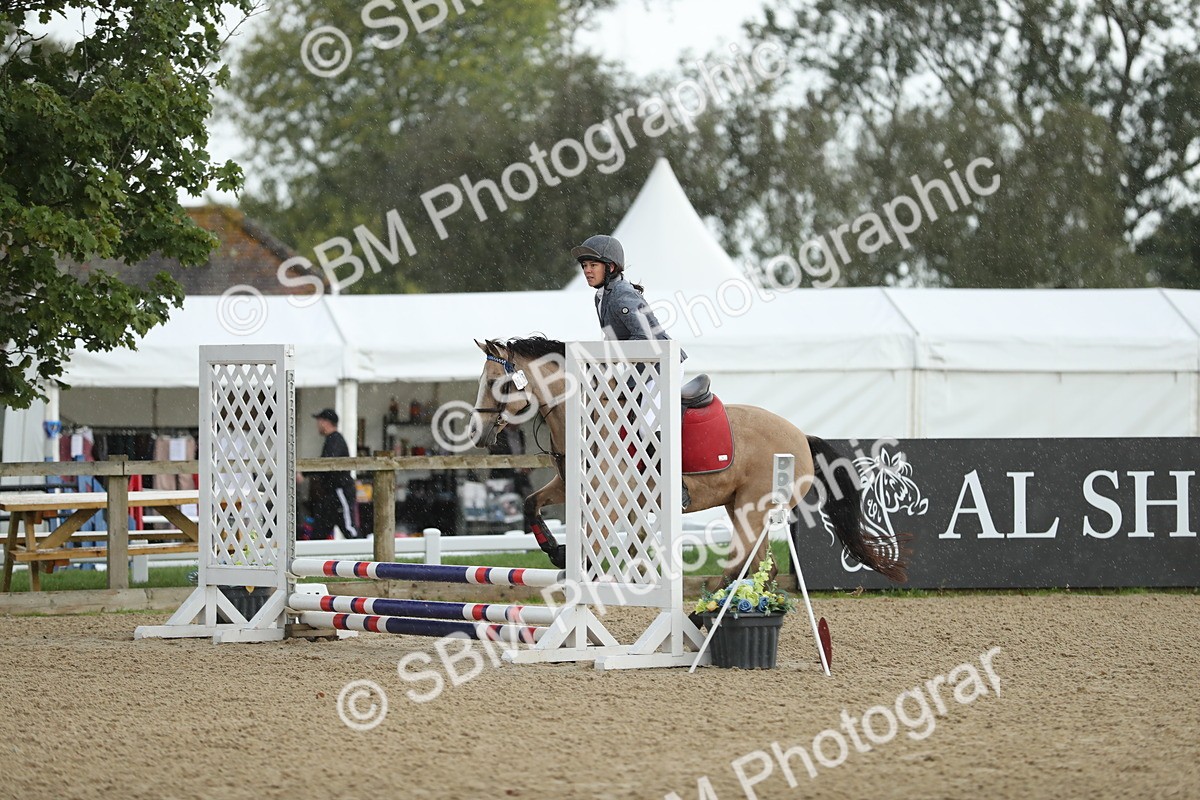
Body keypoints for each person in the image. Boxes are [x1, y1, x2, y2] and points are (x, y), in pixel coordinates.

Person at [573, 234, 690, 509]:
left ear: (610, 267)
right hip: (643, 366)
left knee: (645, 426)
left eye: (593, 265)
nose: (587, 270)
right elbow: (613, 341)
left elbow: (644, 339)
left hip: (662, 365)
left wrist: (614, 367)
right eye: (585, 265)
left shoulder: (622, 295)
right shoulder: (602, 297)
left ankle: (677, 489)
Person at [307, 408, 359, 539]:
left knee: (349, 528)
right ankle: (312, 556)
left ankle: (364, 553)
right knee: (319, 530)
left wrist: (305, 472)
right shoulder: (332, 440)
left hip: (340, 491)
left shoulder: (335, 440)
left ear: (325, 422)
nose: (317, 425)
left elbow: (327, 463)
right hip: (330, 493)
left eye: (319, 421)